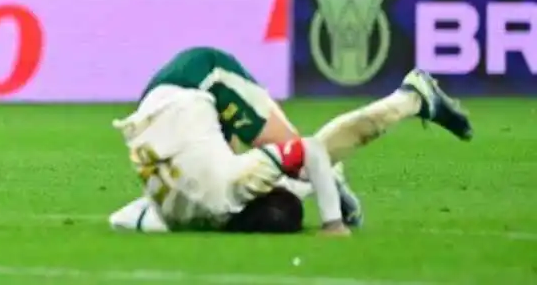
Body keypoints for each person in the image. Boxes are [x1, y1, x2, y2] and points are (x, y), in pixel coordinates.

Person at [108, 63, 472, 234]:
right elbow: (123, 218)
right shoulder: (178, 220)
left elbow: (310, 150)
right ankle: (409, 99)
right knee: (301, 158)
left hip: (200, 78)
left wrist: (332, 220)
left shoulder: (236, 187)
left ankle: (410, 99)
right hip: (154, 120)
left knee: (299, 153)